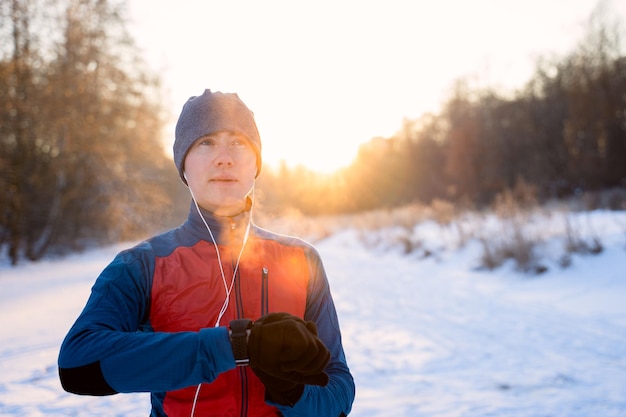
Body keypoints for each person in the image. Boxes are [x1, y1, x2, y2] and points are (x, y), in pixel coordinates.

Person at [58, 89, 355, 416]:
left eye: (239, 142)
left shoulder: (302, 260)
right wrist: (234, 346)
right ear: (183, 165)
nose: (224, 157)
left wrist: (294, 392)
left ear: (256, 162)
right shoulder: (143, 264)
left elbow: (339, 391)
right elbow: (78, 364)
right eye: (206, 142)